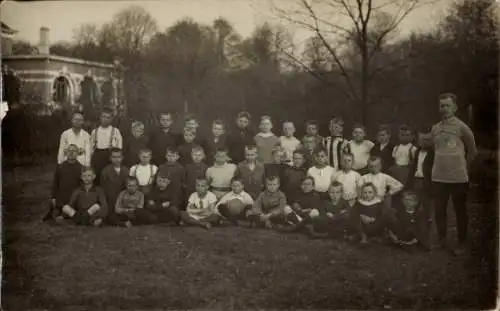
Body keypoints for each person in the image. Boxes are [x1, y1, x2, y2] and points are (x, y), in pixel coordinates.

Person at [431, 93, 477, 255]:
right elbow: (434, 150)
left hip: (458, 177)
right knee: (439, 210)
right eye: (441, 105)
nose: (444, 109)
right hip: (439, 177)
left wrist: (464, 167)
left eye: (447, 105)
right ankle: (442, 239)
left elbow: (472, 150)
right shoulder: (435, 128)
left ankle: (462, 242)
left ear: (455, 108)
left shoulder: (462, 127)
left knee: (460, 210)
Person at [46, 144, 83, 222]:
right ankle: (61, 213)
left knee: (71, 209)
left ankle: (66, 214)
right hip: (61, 198)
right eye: (69, 151)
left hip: (74, 198)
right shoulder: (60, 167)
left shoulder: (81, 168)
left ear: (77, 153)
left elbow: (82, 186)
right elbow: (55, 183)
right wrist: (53, 197)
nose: (71, 153)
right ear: (66, 153)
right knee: (55, 212)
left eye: (74, 151)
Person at [406, 130, 435, 224]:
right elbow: (414, 166)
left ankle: (428, 217)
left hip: (426, 179)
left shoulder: (433, 153)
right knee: (415, 199)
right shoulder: (417, 151)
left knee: (426, 200)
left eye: (427, 140)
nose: (424, 142)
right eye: (422, 140)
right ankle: (413, 217)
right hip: (416, 179)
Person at [90, 108, 123, 183]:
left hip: (110, 157)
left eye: (108, 117)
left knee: (109, 178)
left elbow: (119, 148)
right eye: (103, 117)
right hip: (97, 157)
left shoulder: (115, 131)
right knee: (97, 179)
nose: (105, 119)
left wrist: (116, 160)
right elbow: (91, 149)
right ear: (100, 117)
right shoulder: (95, 131)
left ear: (111, 119)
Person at [100, 148, 129, 224]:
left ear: (122, 158)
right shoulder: (105, 171)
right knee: (109, 214)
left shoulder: (126, 170)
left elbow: (128, 187)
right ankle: (120, 223)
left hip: (123, 200)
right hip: (110, 200)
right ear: (110, 158)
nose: (116, 159)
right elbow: (103, 188)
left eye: (118, 157)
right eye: (114, 157)